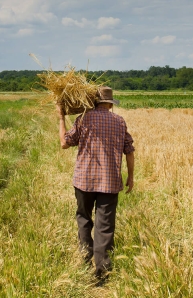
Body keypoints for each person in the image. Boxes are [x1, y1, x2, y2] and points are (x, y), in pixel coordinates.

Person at [57, 86, 135, 283]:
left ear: (93, 102)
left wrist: (60, 118)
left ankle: (85, 258)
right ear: (109, 103)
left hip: (84, 181)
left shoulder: (83, 119)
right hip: (109, 181)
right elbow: (129, 150)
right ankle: (101, 272)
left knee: (84, 218)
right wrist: (131, 176)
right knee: (105, 226)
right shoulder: (119, 121)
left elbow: (65, 143)